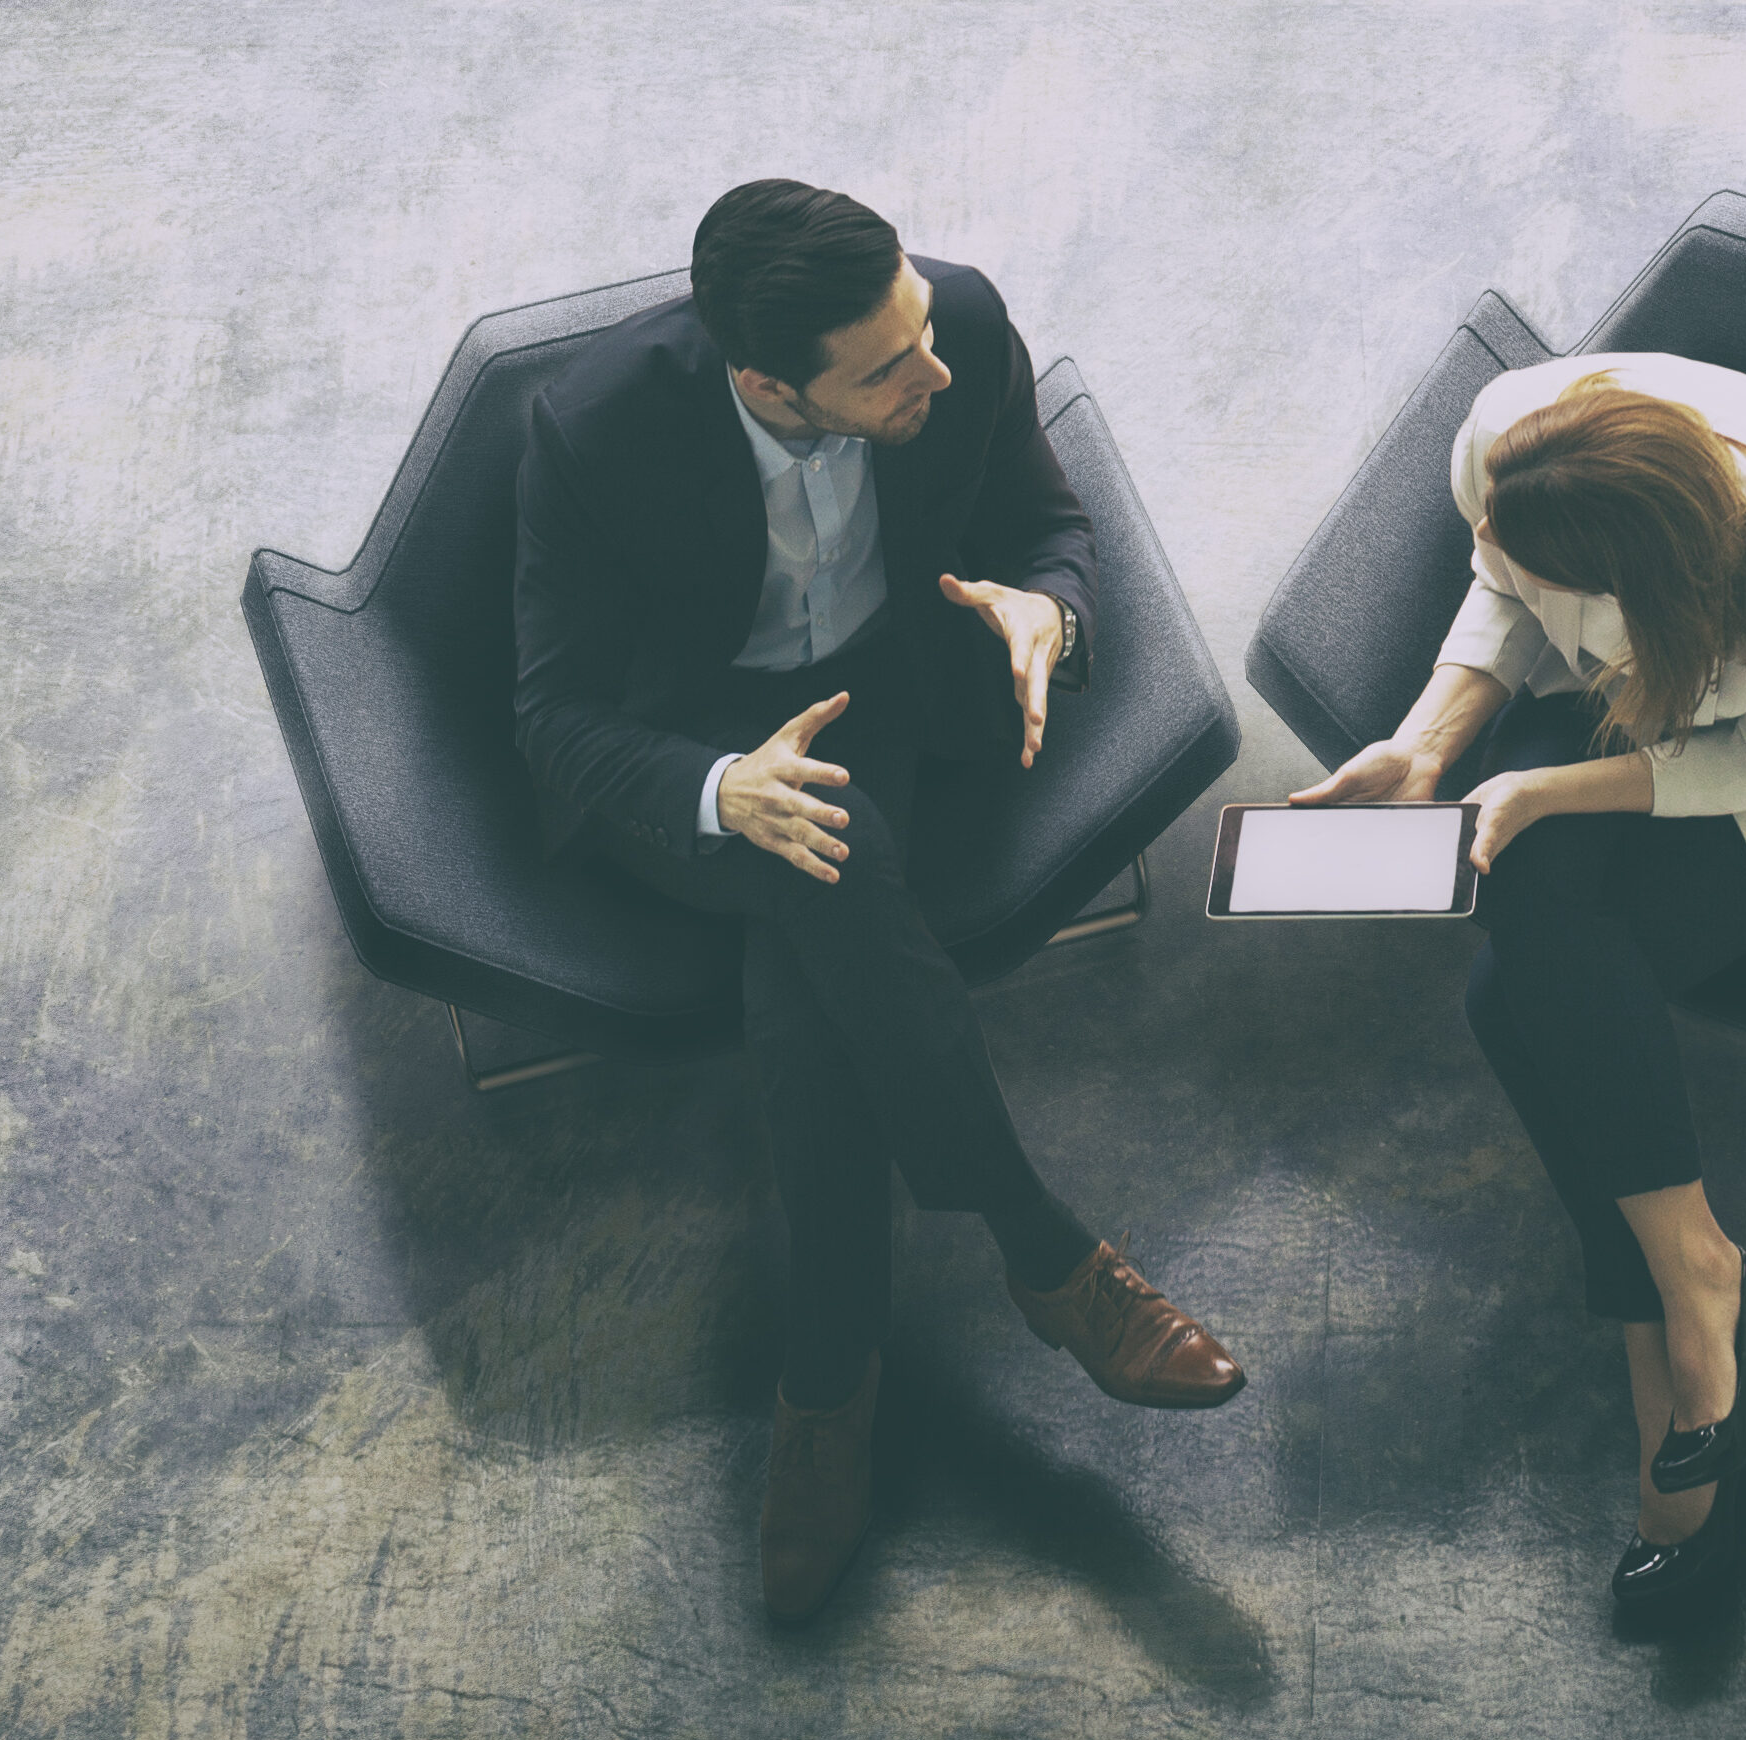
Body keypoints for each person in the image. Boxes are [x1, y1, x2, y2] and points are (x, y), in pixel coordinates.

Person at [513, 180, 1247, 1624]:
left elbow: (1049, 523)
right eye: (889, 366)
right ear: (765, 383)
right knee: (819, 869)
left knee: (811, 987)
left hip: (883, 694)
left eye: (919, 329)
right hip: (696, 749)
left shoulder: (955, 316)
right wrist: (725, 784)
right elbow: (551, 715)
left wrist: (1053, 611)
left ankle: (829, 1383)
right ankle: (1044, 1254)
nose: (938, 370)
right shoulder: (593, 429)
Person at [1291, 352, 1746, 1609]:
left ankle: (1670, 1301)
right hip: (1628, 702)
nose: (1486, 539)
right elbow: (1496, 574)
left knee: (1516, 979)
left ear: (1632, 583)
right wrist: (1428, 743)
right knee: (1528, 943)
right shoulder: (1506, 439)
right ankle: (1689, 1279)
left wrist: (1549, 785)